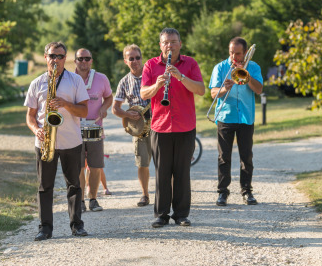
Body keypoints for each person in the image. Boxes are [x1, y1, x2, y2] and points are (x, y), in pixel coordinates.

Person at [140, 28, 205, 228]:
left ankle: (181, 214)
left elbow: (201, 90)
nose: (170, 46)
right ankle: (161, 214)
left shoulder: (190, 63)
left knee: (182, 173)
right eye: (166, 42)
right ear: (160, 45)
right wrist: (157, 86)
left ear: (180, 43)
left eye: (174, 42)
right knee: (162, 173)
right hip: (160, 127)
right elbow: (144, 94)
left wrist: (181, 77)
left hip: (185, 126)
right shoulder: (150, 65)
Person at [25, 41, 89, 241]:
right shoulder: (37, 83)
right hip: (45, 143)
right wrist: (36, 130)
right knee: (45, 187)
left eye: (60, 56)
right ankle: (45, 228)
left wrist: (65, 104)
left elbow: (85, 111)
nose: (56, 60)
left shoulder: (75, 80)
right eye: (52, 56)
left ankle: (77, 225)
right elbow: (30, 116)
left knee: (74, 186)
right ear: (46, 57)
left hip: (71, 141)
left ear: (65, 59)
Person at [209, 37, 263, 207]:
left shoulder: (253, 67)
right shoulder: (220, 67)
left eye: (238, 53)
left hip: (246, 116)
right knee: (224, 157)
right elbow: (213, 94)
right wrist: (225, 88)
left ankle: (247, 191)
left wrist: (246, 76)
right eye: (231, 52)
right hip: (226, 116)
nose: (234, 56)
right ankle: (222, 192)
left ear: (245, 52)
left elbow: (259, 89)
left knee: (246, 156)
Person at [112, 44, 153, 207]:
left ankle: (168, 195)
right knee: (142, 163)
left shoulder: (152, 75)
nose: (135, 61)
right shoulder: (124, 82)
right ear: (125, 61)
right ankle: (145, 195)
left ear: (142, 59)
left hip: (158, 124)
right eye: (131, 58)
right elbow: (115, 108)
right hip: (139, 129)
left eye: (137, 57)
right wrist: (128, 114)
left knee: (164, 162)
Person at [74, 48, 113, 213]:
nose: (84, 62)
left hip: (96, 127)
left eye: (87, 59)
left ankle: (93, 200)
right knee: (79, 167)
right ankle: (80, 200)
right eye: (80, 58)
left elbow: (109, 97)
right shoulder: (69, 79)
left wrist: (104, 107)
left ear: (91, 60)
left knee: (96, 166)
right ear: (75, 60)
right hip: (75, 128)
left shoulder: (101, 78)